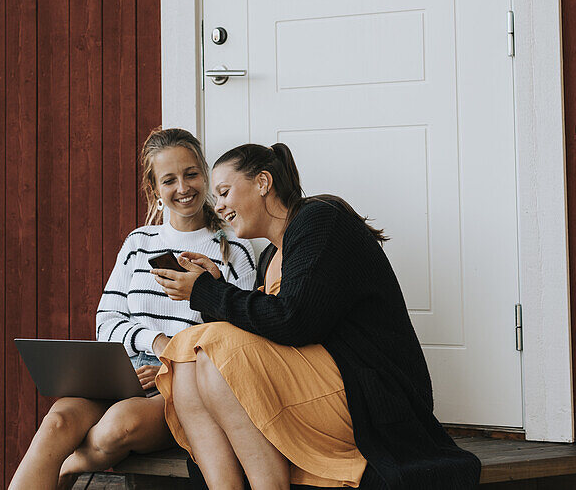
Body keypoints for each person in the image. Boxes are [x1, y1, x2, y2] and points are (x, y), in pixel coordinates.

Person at [151, 143, 481, 490]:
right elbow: (277, 325)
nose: (217, 206)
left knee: (212, 350)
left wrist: (208, 292)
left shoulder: (320, 222)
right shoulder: (273, 255)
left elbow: (295, 320)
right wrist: (214, 289)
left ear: (263, 182)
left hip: (371, 397)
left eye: (224, 192)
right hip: (325, 384)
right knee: (186, 354)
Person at [8, 128, 256, 490]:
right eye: (169, 180)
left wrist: (169, 360)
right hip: (122, 375)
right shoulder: (138, 242)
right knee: (57, 423)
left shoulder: (236, 248)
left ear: (204, 173)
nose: (183, 187)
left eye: (191, 174)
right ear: (154, 189)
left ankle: (66, 468)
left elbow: (239, 333)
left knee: (115, 429)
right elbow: (106, 322)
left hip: (180, 386)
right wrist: (153, 341)